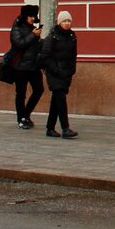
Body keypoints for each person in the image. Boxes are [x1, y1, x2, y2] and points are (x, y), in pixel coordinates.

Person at [38, 10, 78, 139]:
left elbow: (73, 55)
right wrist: (55, 70)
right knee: (60, 98)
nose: (67, 23)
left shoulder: (72, 37)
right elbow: (45, 56)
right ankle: (65, 128)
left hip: (66, 73)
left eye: (69, 21)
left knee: (56, 100)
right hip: (54, 73)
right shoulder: (52, 37)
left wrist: (72, 70)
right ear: (59, 22)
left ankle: (50, 128)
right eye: (64, 21)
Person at [9, 4, 45, 129]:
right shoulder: (17, 27)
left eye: (34, 16)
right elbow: (19, 43)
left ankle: (26, 114)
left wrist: (41, 41)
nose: (32, 18)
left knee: (39, 89)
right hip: (20, 66)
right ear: (25, 16)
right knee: (21, 93)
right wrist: (33, 36)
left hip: (34, 66)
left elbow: (36, 46)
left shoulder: (32, 28)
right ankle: (21, 119)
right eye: (30, 16)